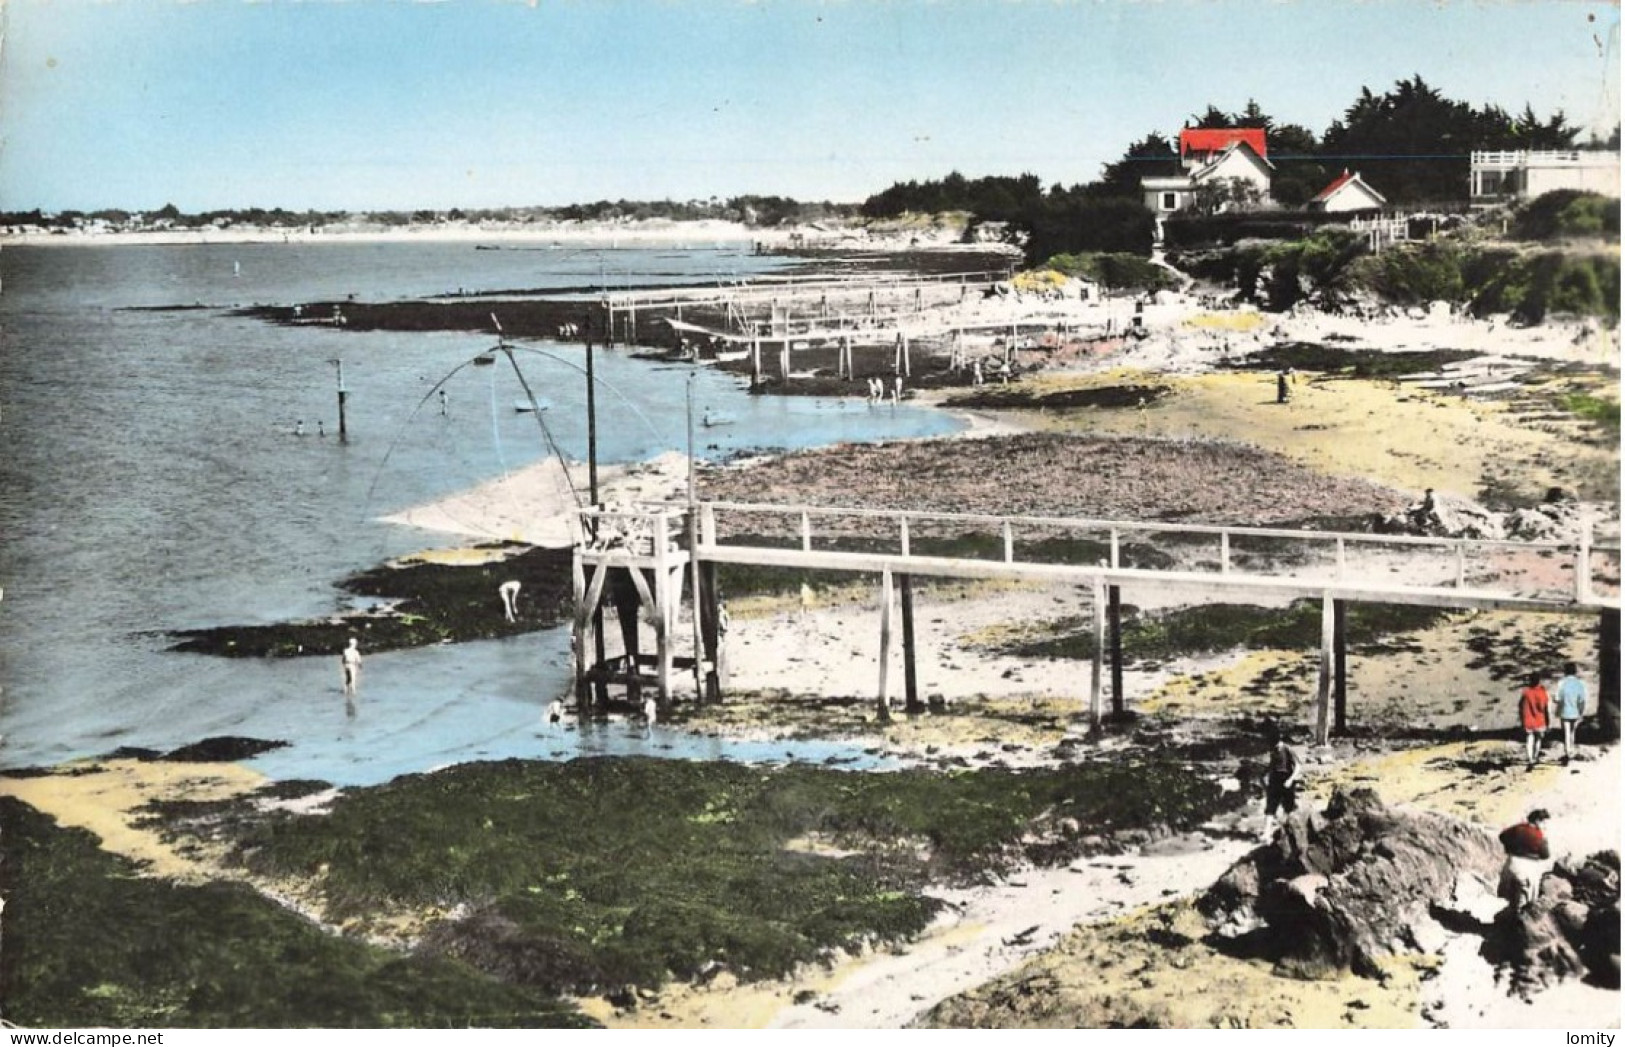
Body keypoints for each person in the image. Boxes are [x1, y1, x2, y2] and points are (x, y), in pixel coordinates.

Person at [1498, 809, 1552, 909]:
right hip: (1528, 869)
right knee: (1523, 903)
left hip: (1511, 864)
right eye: (1544, 823)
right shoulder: (1539, 835)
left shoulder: (1517, 828)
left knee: (1510, 899)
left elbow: (1502, 836)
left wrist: (1511, 848)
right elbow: (1545, 855)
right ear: (1537, 821)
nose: (1545, 826)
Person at [1261, 733, 1301, 841]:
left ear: (1280, 741)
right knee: (1270, 808)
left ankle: (1289, 833)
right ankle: (1266, 833)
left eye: (1277, 745)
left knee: (1289, 808)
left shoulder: (1287, 749)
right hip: (1275, 781)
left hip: (1286, 780)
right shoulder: (1273, 751)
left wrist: (1290, 779)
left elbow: (1297, 766)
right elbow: (1272, 765)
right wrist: (1264, 776)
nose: (1275, 747)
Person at [1554, 662, 1588, 764]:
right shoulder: (1580, 684)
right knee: (1573, 732)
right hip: (1576, 711)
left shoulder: (1561, 683)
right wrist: (1581, 712)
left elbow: (1557, 698)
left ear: (1565, 671)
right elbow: (1582, 700)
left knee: (1566, 733)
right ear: (1575, 671)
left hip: (1564, 711)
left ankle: (1568, 752)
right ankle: (1571, 751)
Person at [1519, 671, 1550, 770]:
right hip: (1540, 721)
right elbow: (1545, 708)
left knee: (1529, 740)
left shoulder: (1526, 693)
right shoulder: (1542, 692)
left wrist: (1522, 720)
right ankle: (1535, 757)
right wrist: (1547, 721)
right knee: (1538, 740)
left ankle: (1530, 759)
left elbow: (1520, 706)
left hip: (1528, 721)